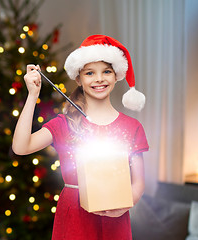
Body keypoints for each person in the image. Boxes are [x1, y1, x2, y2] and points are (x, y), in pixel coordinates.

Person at [12, 35, 149, 240]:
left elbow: (138, 183)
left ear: (116, 75)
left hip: (116, 219)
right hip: (74, 219)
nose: (99, 79)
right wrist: (32, 95)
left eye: (107, 71)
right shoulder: (64, 123)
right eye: (90, 73)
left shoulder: (132, 127)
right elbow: (21, 147)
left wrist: (125, 205)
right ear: (79, 78)